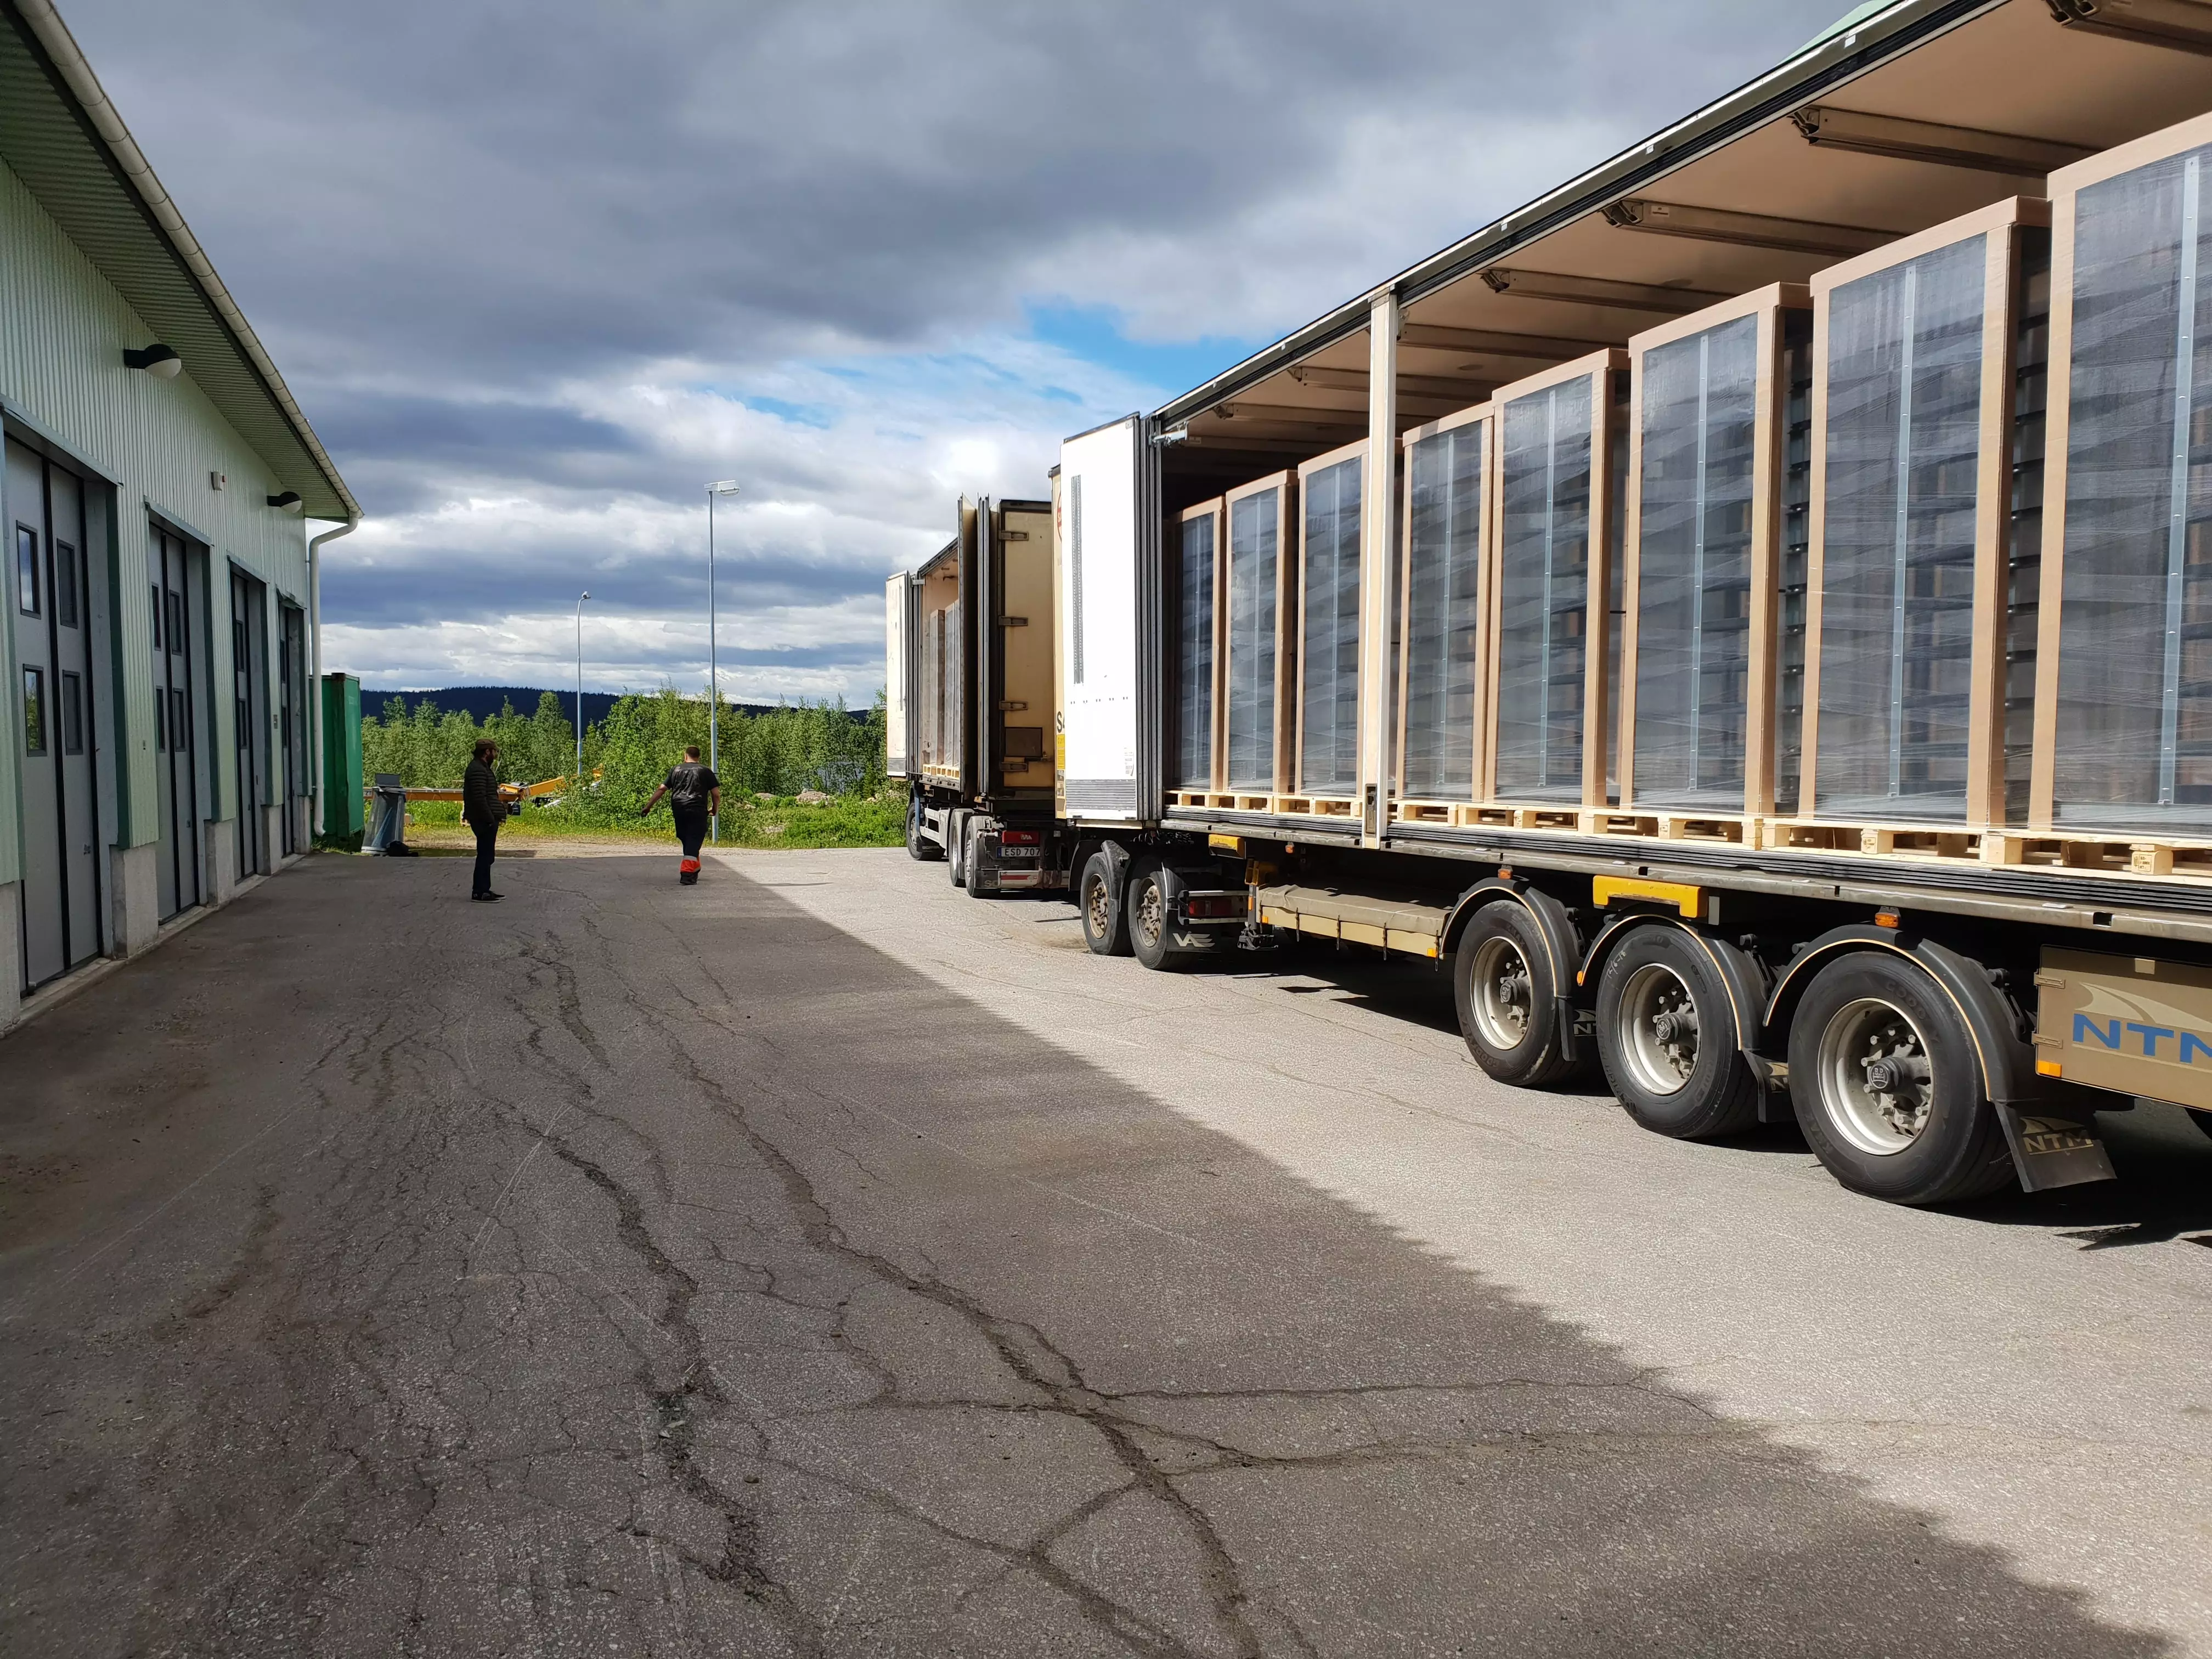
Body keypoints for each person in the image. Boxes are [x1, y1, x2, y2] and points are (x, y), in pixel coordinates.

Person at [641, 744, 721, 885]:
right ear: (699, 757)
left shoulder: (676, 769)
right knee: (695, 837)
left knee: (687, 838)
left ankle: (694, 867)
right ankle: (687, 874)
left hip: (679, 809)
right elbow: (716, 795)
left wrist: (648, 807)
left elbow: (661, 790)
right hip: (697, 810)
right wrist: (715, 809)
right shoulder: (705, 771)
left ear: (685, 756)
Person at [462, 737, 504, 901]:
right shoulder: (478, 769)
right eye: (494, 751)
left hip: (484, 818)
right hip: (483, 819)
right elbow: (480, 797)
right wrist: (489, 818)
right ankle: (480, 891)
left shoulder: (482, 768)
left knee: (487, 855)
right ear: (487, 752)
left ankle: (484, 889)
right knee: (485, 855)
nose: (495, 754)